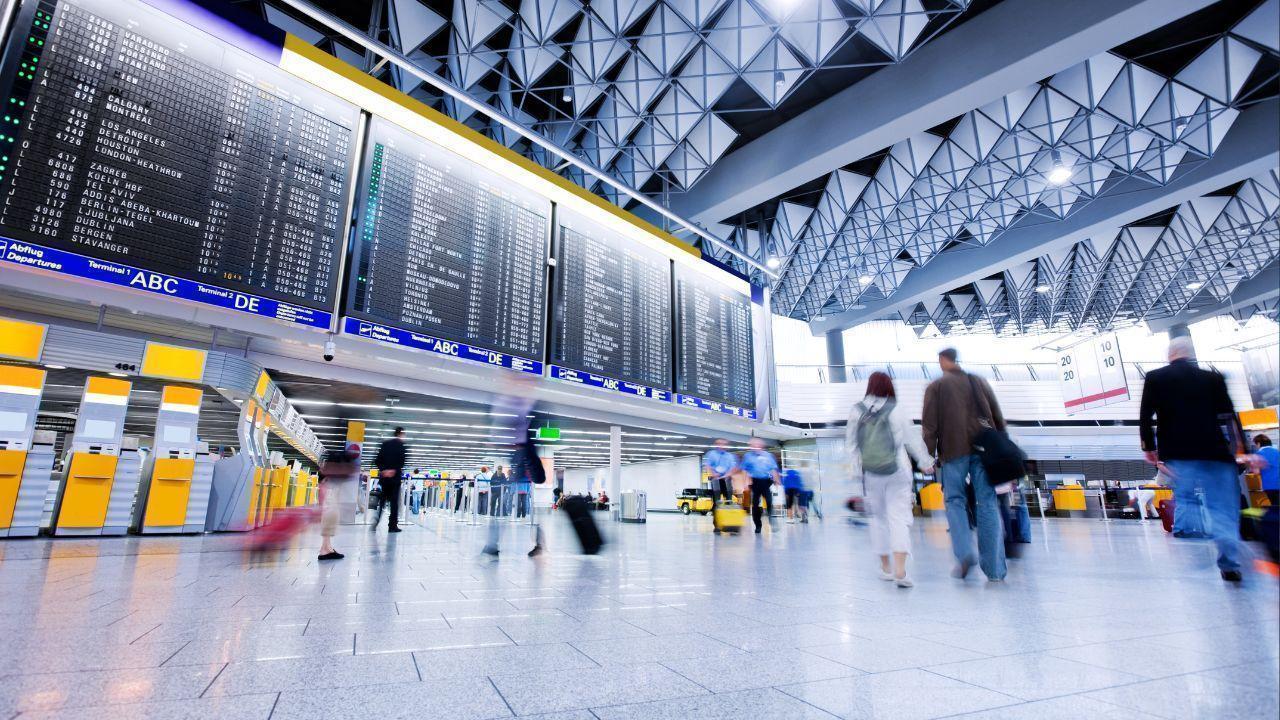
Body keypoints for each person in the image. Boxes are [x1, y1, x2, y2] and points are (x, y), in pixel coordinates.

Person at [1140, 336, 1249, 582]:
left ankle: (1187, 530)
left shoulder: (1156, 378)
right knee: (1223, 507)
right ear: (1191, 354)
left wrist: (1149, 446)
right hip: (1216, 451)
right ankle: (1229, 560)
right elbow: (1229, 415)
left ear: (1170, 354)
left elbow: (1146, 414)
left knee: (1186, 496)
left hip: (1180, 451)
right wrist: (1242, 448)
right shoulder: (1212, 378)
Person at [921, 348, 1008, 582]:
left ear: (942, 361)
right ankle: (995, 570)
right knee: (987, 503)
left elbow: (930, 426)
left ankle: (964, 553)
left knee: (954, 501)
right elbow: (997, 416)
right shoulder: (977, 381)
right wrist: (1003, 446)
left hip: (953, 451)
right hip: (984, 450)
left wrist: (927, 456)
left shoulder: (936, 387)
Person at [847, 371, 933, 587]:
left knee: (878, 520)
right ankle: (901, 571)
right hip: (898, 471)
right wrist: (925, 462)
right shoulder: (896, 408)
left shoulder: (857, 411)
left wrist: (858, 473)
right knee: (899, 518)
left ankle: (885, 568)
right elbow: (912, 439)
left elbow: (851, 446)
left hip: (870, 474)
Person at [483, 384, 546, 558]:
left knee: (530, 514)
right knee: (508, 511)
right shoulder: (523, 420)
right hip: (523, 474)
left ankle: (538, 545)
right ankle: (493, 545)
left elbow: (523, 444)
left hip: (529, 476)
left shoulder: (530, 419)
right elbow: (518, 443)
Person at [317, 444, 359, 560]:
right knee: (331, 514)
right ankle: (324, 550)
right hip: (331, 488)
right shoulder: (333, 480)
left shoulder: (329, 477)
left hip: (330, 487)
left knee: (331, 514)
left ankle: (327, 547)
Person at [741, 437, 780, 534]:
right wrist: (744, 484)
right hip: (755, 482)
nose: (755, 447)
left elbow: (773, 469)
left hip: (766, 481)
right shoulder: (748, 456)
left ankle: (772, 522)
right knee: (755, 505)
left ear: (761, 446)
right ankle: (758, 525)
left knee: (769, 502)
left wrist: (777, 480)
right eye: (753, 446)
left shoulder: (768, 456)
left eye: (757, 445)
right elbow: (744, 470)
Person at [372, 427, 407, 533]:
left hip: (385, 478)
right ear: (401, 434)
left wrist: (384, 470)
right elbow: (402, 462)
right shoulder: (402, 446)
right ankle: (392, 526)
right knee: (394, 503)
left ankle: (376, 520)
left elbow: (377, 460)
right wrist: (393, 470)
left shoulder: (385, 444)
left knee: (382, 501)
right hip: (395, 479)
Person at [703, 439, 738, 507]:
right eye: (720, 444)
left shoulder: (729, 456)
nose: (722, 446)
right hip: (715, 477)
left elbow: (732, 468)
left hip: (726, 477)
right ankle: (716, 507)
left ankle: (729, 505)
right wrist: (713, 474)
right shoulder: (712, 454)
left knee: (729, 493)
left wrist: (727, 474)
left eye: (724, 444)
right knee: (717, 495)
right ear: (717, 445)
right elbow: (708, 466)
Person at [1255, 434, 1278, 506]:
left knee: (1275, 506)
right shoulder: (1278, 452)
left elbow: (1256, 471)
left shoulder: (1259, 454)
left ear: (1258, 444)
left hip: (1270, 485)